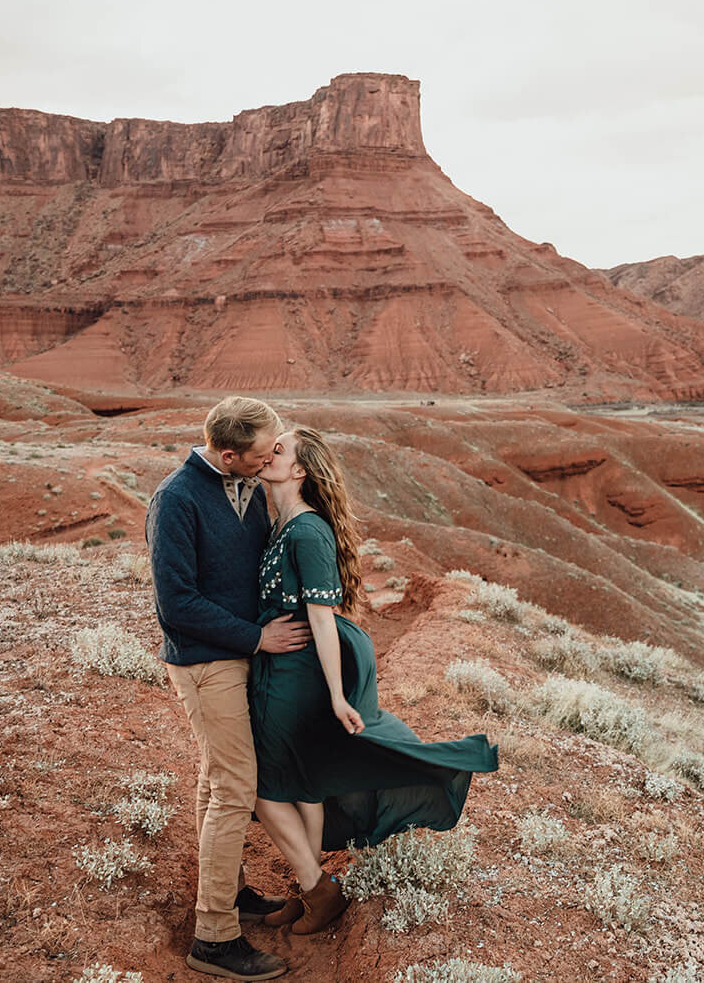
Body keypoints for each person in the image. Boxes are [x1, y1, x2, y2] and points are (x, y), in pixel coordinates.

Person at [248, 428, 499, 934]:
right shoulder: (282, 523)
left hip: (292, 679)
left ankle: (317, 886)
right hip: (279, 669)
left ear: (299, 470)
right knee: (306, 780)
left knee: (263, 788)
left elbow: (322, 618)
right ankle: (311, 888)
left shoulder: (306, 531)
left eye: (279, 449)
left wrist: (337, 695)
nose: (266, 453)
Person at [146, 397, 311, 981]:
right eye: (263, 449)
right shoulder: (176, 500)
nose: (273, 454)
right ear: (226, 454)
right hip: (204, 664)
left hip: (235, 659)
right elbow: (177, 604)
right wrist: (255, 638)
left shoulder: (245, 487)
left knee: (216, 780)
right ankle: (214, 936)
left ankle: (231, 891)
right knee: (236, 788)